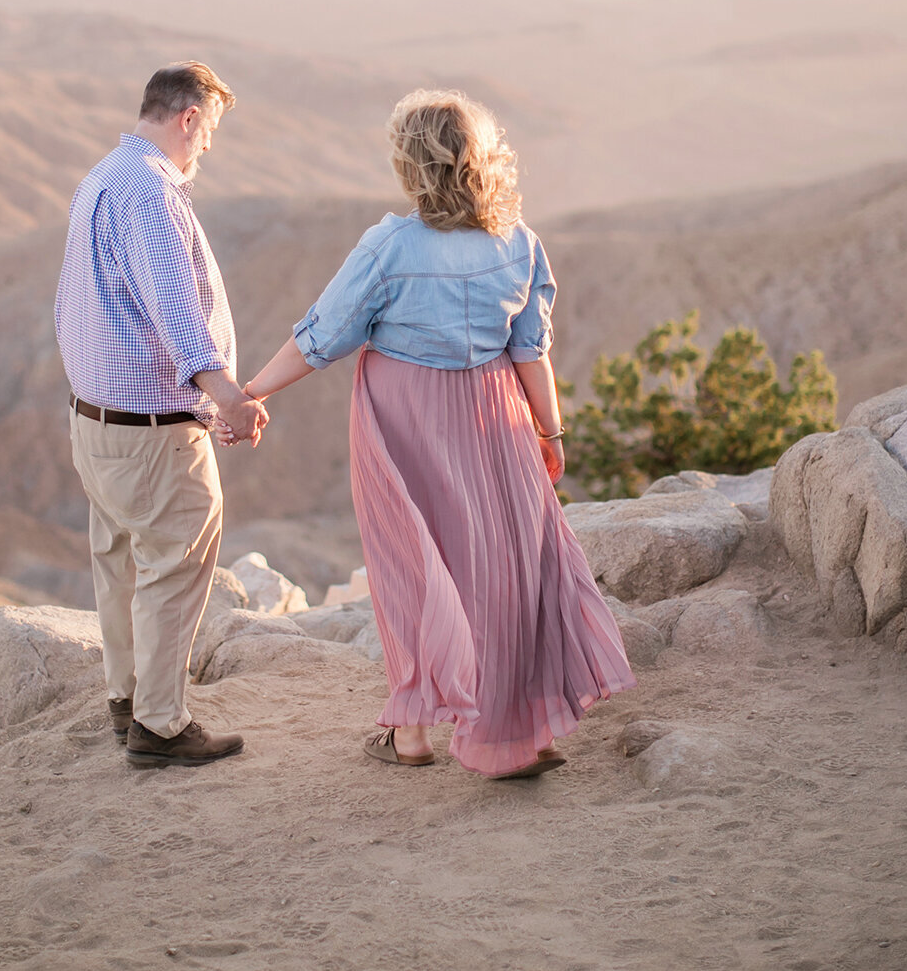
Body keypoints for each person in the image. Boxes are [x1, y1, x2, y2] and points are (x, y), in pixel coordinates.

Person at [243, 89, 634, 779]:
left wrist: (250, 394)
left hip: (407, 421)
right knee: (508, 567)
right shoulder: (518, 242)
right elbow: (530, 349)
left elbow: (321, 337)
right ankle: (518, 733)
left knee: (412, 568)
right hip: (497, 414)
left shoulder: (389, 246)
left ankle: (413, 732)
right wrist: (550, 430)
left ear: (411, 165)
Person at [54, 62, 268, 769]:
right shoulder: (151, 193)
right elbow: (177, 315)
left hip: (96, 422)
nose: (208, 148)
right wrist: (229, 398)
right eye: (209, 132)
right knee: (176, 561)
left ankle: (127, 701)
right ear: (188, 119)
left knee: (119, 563)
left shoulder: (102, 177)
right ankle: (161, 726)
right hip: (151, 432)